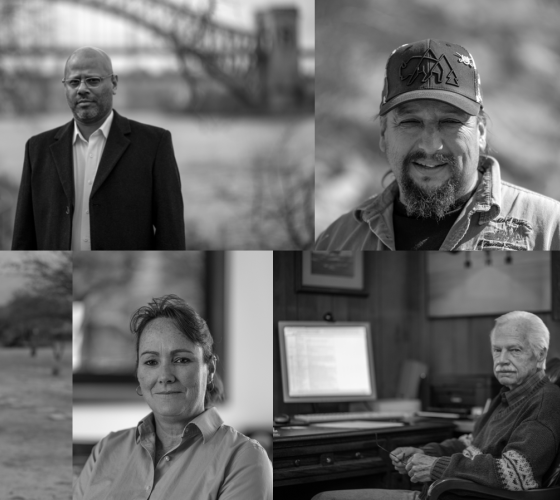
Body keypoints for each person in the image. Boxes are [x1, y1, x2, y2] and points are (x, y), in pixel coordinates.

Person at [315, 39, 560, 250]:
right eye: (410, 121)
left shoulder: (550, 228)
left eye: (451, 121)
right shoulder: (337, 239)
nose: (431, 146)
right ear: (383, 133)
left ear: (481, 132)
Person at [312, 311, 560, 500]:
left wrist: (436, 467)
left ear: (540, 354)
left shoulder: (544, 403)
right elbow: (470, 444)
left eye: (514, 350)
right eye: (497, 350)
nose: (502, 360)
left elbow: (517, 475)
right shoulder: (508, 395)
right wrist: (425, 452)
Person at [73, 294, 271, 500]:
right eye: (151, 362)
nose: (165, 376)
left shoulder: (244, 458)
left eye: (181, 359)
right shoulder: (106, 449)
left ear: (210, 368)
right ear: (138, 373)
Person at [11, 47, 186, 250]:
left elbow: (171, 234)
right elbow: (24, 237)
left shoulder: (154, 144)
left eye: (93, 80)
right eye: (74, 82)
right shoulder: (37, 149)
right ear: (65, 87)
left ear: (114, 83)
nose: (82, 89)